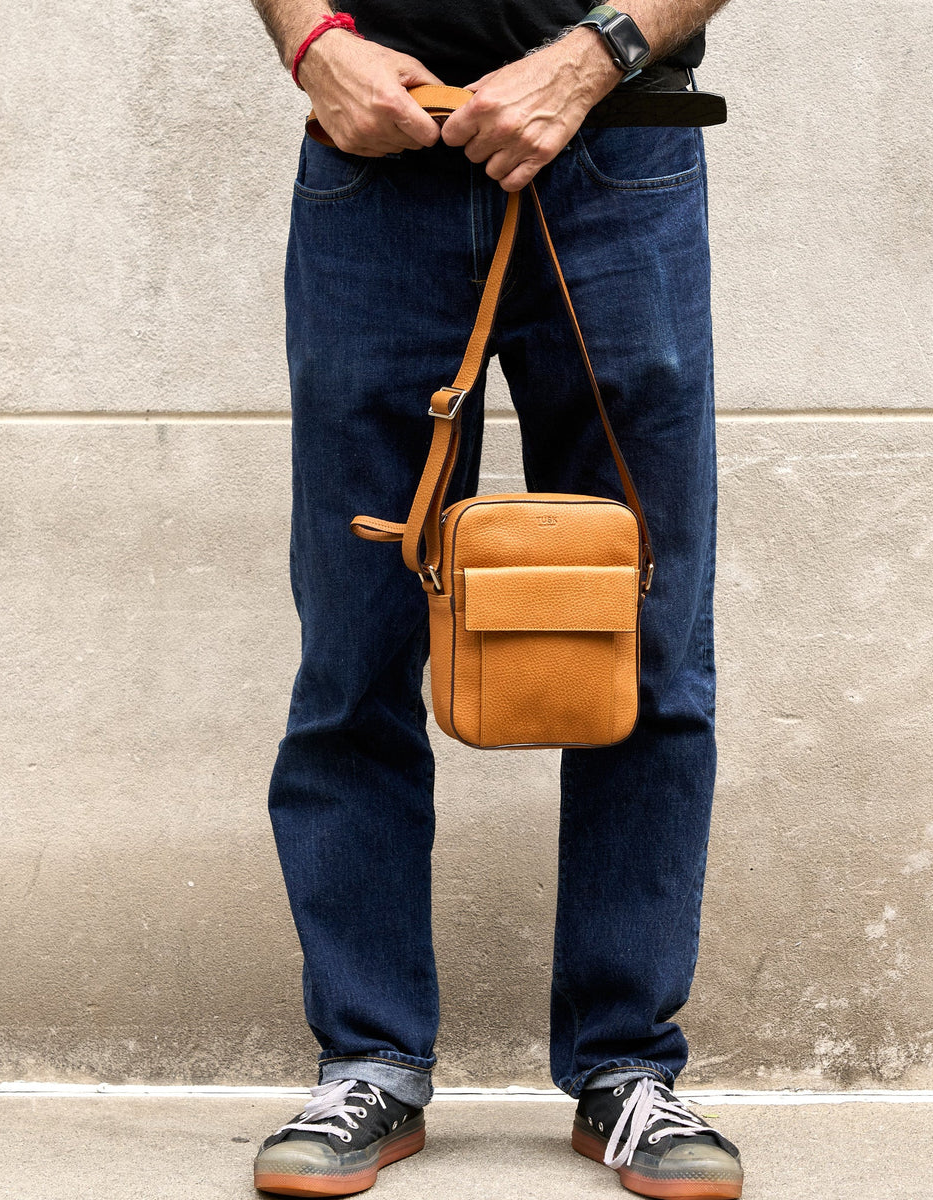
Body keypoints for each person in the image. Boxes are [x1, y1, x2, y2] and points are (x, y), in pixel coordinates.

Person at [247, 2, 740, 1196]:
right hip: (381, 156)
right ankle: (367, 1057)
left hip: (617, 151)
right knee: (354, 650)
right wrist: (314, 42)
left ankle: (628, 1070)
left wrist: (591, 58)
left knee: (644, 639)